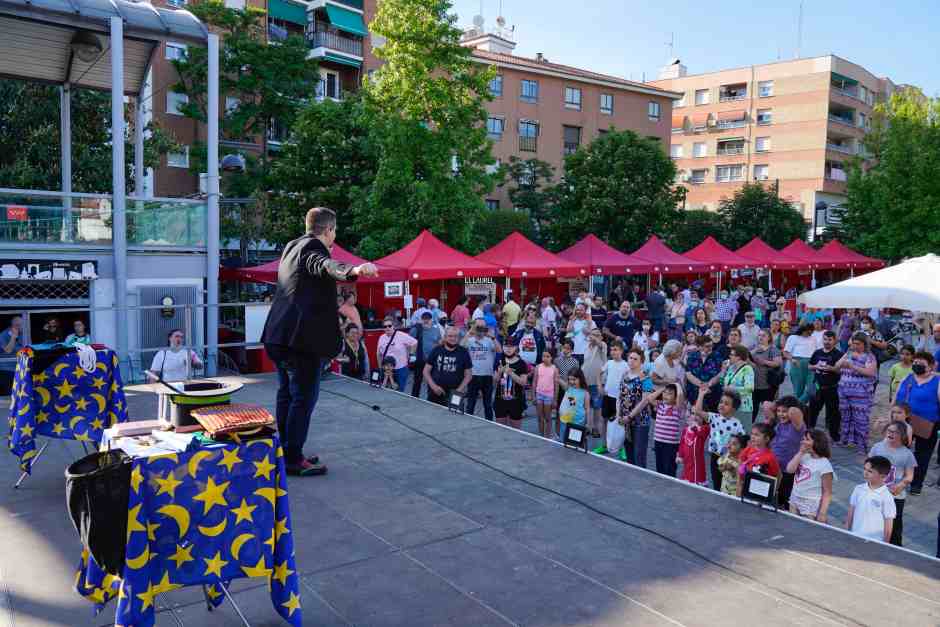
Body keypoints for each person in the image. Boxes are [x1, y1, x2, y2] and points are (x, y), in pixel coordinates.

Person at [262, 207, 378, 476]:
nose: (334, 237)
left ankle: (288, 451)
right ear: (328, 230)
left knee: (287, 394)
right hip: (300, 341)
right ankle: (292, 459)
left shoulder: (292, 246)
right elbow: (323, 264)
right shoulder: (314, 247)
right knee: (303, 398)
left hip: (278, 335)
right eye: (334, 231)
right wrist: (354, 269)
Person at [894, 351, 940, 495]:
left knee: (922, 455)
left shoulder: (937, 381)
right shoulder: (908, 377)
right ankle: (896, 479)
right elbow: (896, 398)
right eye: (915, 363)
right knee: (899, 450)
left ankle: (916, 484)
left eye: (921, 364)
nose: (917, 365)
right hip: (904, 422)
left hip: (928, 424)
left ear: (931, 366)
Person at [869, 421, 917, 546]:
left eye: (894, 432)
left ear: (902, 435)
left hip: (895, 496)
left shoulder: (907, 454)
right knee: (874, 520)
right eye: (889, 431)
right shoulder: (877, 447)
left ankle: (895, 548)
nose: (890, 433)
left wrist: (900, 485)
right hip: (876, 493)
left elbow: (909, 476)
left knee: (894, 525)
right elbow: (868, 466)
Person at [692, 387, 745, 492]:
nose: (722, 405)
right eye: (721, 402)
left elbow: (742, 443)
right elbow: (697, 411)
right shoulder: (713, 417)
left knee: (728, 483)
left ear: (734, 408)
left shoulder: (737, 424)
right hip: (715, 457)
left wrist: (737, 459)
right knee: (716, 482)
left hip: (729, 459)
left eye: (726, 403)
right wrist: (701, 394)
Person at [628, 383, 685, 477]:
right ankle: (662, 484)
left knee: (670, 468)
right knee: (660, 466)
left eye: (670, 393)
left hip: (671, 444)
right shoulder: (660, 405)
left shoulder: (676, 409)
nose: (666, 395)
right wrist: (663, 388)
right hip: (658, 441)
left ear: (675, 398)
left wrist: (677, 385)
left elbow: (680, 397)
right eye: (665, 393)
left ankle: (670, 485)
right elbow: (649, 398)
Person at [835, 333, 878, 449]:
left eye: (858, 344)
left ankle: (862, 445)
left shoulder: (869, 357)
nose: (855, 346)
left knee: (861, 419)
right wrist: (841, 363)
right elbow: (836, 366)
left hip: (861, 394)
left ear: (865, 344)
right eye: (854, 343)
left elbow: (870, 372)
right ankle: (844, 440)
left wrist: (852, 366)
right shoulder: (848, 353)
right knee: (845, 417)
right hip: (844, 391)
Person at [617, 348, 655, 467]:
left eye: (635, 359)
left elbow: (645, 401)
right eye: (630, 358)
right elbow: (620, 396)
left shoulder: (646, 379)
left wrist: (630, 416)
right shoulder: (624, 375)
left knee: (639, 454)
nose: (632, 361)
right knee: (629, 452)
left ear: (641, 362)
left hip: (640, 421)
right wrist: (619, 413)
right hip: (626, 420)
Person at [787, 430, 835, 523]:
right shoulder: (804, 456)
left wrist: (822, 513)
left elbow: (827, 492)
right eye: (803, 439)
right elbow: (790, 469)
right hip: (795, 499)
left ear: (817, 443)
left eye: (807, 439)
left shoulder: (825, 465)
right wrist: (800, 453)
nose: (802, 442)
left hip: (810, 504)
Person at [846, 456, 896, 543]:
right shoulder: (858, 489)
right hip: (855, 536)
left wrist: (886, 544)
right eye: (865, 469)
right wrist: (846, 531)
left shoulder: (886, 496)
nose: (865, 473)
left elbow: (888, 522)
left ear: (882, 476)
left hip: (875, 541)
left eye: (870, 471)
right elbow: (851, 511)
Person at [770, 396, 808, 509]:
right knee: (773, 498)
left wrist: (791, 405)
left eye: (784, 411)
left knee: (784, 500)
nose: (781, 414)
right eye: (779, 411)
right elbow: (767, 405)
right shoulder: (780, 423)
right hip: (775, 467)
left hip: (788, 471)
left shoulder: (798, 426)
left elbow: (794, 411)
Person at [594, 340, 629, 455]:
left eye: (615, 349)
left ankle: (622, 448)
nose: (613, 352)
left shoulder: (626, 365)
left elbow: (629, 380)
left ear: (621, 351)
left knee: (621, 423)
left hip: (620, 399)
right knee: (604, 420)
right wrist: (599, 386)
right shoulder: (609, 363)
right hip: (608, 397)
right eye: (611, 349)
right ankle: (604, 445)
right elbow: (598, 373)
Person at [423, 326, 472, 406]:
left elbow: (468, 375)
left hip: (456, 392)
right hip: (435, 391)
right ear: (445, 337)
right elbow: (426, 371)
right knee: (432, 415)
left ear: (459, 338)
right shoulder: (436, 350)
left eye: (456, 336)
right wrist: (434, 386)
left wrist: (459, 390)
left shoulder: (464, 352)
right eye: (450, 336)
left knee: (454, 416)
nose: (453, 338)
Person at [808, 330, 844, 440]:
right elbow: (809, 366)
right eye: (825, 339)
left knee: (833, 413)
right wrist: (816, 367)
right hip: (818, 387)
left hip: (832, 388)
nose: (827, 342)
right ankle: (809, 432)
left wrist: (832, 369)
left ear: (834, 341)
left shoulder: (838, 354)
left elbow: (842, 371)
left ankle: (834, 435)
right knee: (812, 411)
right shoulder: (817, 352)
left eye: (829, 340)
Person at [463, 320, 499, 421]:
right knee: (471, 403)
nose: (480, 330)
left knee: (488, 404)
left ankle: (490, 423)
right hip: (473, 375)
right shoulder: (470, 340)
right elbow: (461, 346)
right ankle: (467, 421)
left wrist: (492, 336)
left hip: (487, 376)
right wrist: (471, 331)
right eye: (478, 327)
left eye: (482, 327)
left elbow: (499, 350)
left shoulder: (489, 340)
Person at [736, 423, 781, 496]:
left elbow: (778, 475)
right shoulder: (749, 449)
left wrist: (773, 491)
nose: (752, 437)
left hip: (760, 490)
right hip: (745, 486)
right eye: (752, 434)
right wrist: (739, 483)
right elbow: (741, 461)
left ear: (766, 439)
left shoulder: (770, 457)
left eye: (756, 435)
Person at [494, 338, 529, 429]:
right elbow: (494, 381)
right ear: (503, 347)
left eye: (511, 346)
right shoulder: (499, 361)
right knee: (500, 429)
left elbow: (523, 382)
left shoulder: (521, 363)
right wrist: (499, 372)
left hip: (516, 401)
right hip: (500, 400)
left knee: (516, 430)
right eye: (506, 346)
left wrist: (511, 373)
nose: (508, 349)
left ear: (516, 348)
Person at [376, 317, 418, 394]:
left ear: (393, 326)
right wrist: (380, 368)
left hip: (401, 369)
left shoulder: (401, 335)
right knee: (386, 390)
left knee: (400, 391)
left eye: (389, 326)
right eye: (385, 326)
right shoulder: (381, 338)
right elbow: (379, 354)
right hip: (387, 369)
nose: (387, 328)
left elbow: (414, 342)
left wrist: (411, 354)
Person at [684, 335, 723, 410]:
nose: (710, 348)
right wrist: (701, 384)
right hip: (694, 393)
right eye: (707, 346)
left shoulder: (717, 355)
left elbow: (720, 373)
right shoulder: (692, 356)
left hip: (712, 393)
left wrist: (709, 384)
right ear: (699, 346)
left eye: (711, 345)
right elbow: (688, 374)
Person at [721, 345, 755, 430]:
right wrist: (723, 370)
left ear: (739, 357)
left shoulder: (748, 369)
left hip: (743, 407)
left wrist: (732, 389)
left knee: (742, 434)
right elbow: (723, 383)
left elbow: (749, 388)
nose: (729, 356)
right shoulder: (731, 368)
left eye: (732, 355)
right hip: (730, 406)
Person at [751, 329, 782, 419]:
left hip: (767, 386)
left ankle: (770, 429)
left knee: (768, 411)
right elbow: (745, 355)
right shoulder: (754, 347)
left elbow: (778, 363)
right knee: (753, 410)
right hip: (753, 385)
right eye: (759, 335)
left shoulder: (773, 349)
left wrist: (764, 362)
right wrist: (754, 350)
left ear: (769, 338)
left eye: (763, 335)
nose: (761, 337)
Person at [410, 312, 443, 398]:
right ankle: (414, 398)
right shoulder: (416, 329)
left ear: (431, 319)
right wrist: (411, 355)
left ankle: (430, 398)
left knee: (431, 380)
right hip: (420, 359)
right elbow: (410, 342)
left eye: (428, 319)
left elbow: (439, 341)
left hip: (432, 360)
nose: (426, 321)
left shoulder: (436, 329)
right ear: (421, 319)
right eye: (424, 319)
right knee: (417, 380)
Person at [582, 328, 607, 435]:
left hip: (597, 382)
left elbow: (600, 344)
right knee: (587, 406)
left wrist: (595, 338)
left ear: (601, 337)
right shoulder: (587, 347)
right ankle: (588, 426)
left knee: (597, 406)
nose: (593, 337)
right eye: (592, 335)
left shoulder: (603, 345)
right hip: (586, 381)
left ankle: (596, 428)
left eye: (597, 335)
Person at [784, 323, 816, 404]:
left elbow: (816, 351)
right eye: (808, 332)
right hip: (797, 364)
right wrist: (792, 359)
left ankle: (796, 406)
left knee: (812, 390)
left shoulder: (813, 338)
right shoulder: (793, 337)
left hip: (811, 365)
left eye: (811, 332)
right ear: (803, 330)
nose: (810, 334)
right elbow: (785, 352)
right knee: (798, 391)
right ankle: (797, 411)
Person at [678, 407, 711, 486]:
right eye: (693, 413)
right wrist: (680, 455)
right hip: (687, 461)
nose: (695, 417)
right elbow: (682, 443)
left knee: (695, 483)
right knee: (686, 480)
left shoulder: (705, 428)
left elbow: (700, 432)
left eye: (698, 414)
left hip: (697, 464)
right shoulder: (686, 429)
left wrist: (694, 426)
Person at [532, 350, 559, 437]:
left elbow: (556, 385)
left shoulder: (554, 369)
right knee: (540, 417)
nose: (545, 358)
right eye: (544, 356)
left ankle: (547, 435)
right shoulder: (538, 367)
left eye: (548, 356)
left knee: (548, 417)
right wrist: (533, 396)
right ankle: (541, 434)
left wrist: (555, 399)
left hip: (549, 396)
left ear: (552, 358)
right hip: (539, 394)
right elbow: (534, 382)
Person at [559, 368, 590, 438]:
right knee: (564, 439)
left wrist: (588, 423)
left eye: (574, 379)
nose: (571, 382)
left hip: (578, 422)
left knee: (574, 441)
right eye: (570, 379)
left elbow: (587, 408)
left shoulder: (585, 393)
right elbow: (572, 403)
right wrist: (557, 377)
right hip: (565, 420)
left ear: (580, 379)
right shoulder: (568, 388)